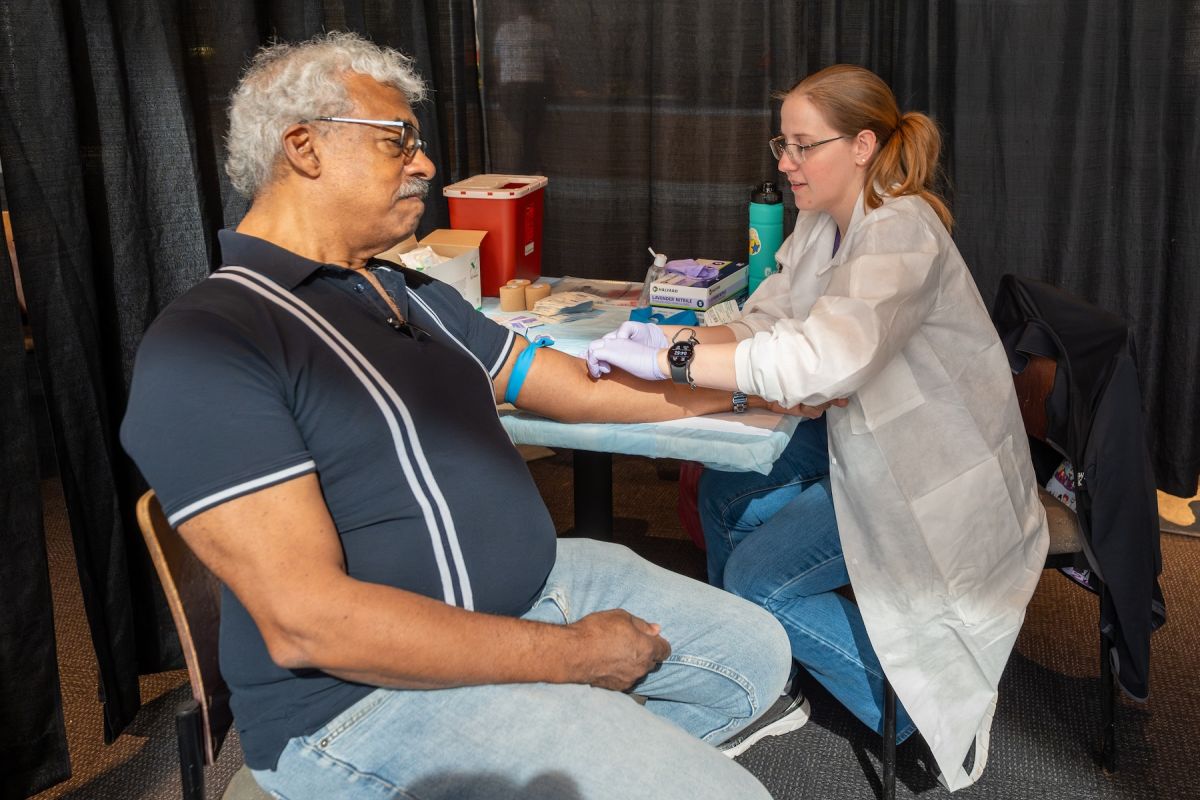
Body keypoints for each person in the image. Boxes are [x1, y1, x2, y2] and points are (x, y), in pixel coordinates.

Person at [120, 32, 802, 800]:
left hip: (536, 593)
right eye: (397, 140)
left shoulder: (408, 294)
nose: (426, 163)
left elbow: (574, 386)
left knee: (755, 655)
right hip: (365, 702)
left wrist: (753, 387)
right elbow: (309, 620)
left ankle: (568, 734)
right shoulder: (210, 342)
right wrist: (570, 657)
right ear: (304, 148)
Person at [586, 64, 1050, 790]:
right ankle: (763, 678)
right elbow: (767, 320)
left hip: (925, 475)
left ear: (863, 145)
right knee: (725, 489)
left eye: (804, 146)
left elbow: (817, 362)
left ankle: (917, 720)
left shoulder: (902, 236)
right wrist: (662, 342)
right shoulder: (822, 223)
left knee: (761, 580)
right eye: (783, 143)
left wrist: (673, 360)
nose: (784, 163)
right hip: (858, 439)